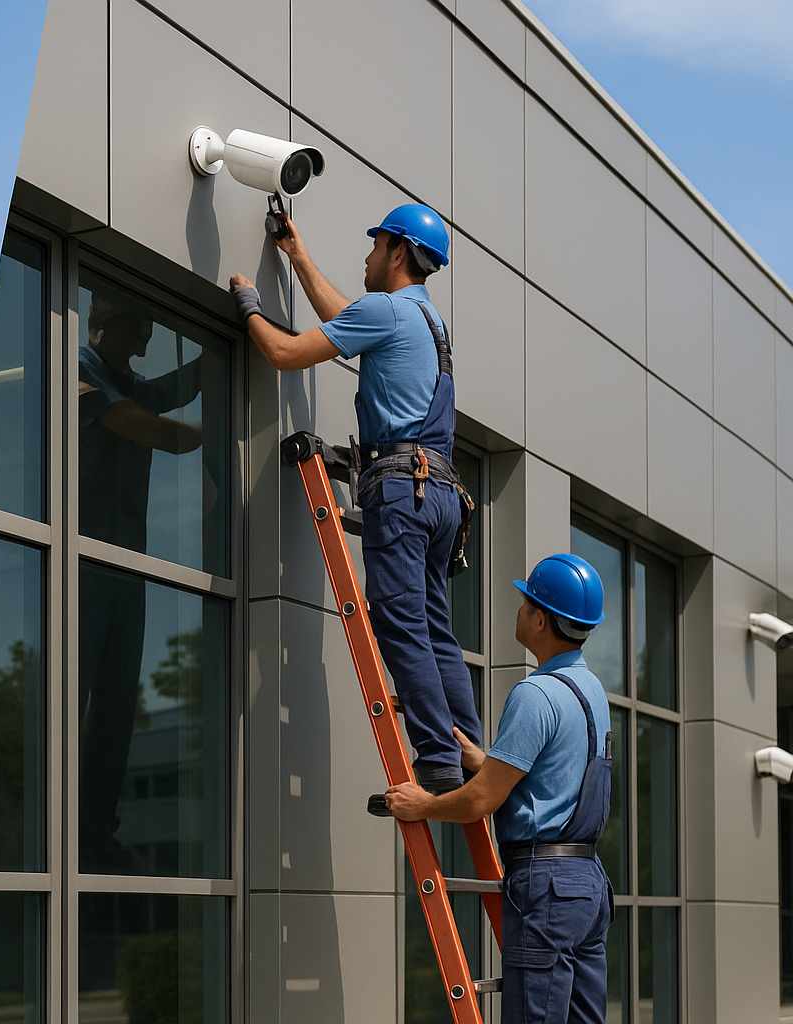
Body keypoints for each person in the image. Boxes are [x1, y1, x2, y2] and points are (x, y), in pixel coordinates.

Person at [230, 203, 478, 800]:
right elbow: (346, 319)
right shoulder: (423, 320)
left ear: (397, 251)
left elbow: (285, 355)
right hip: (441, 493)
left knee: (398, 621)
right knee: (436, 630)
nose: (366, 257)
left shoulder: (387, 310)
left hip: (402, 492)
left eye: (374, 247)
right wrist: (299, 256)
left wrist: (249, 308)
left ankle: (439, 760)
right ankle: (467, 750)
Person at [384, 554, 614, 1024]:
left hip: (546, 886)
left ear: (541, 619)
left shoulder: (535, 694)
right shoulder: (591, 690)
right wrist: (488, 763)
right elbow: (556, 773)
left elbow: (481, 801)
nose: (519, 610)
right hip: (588, 883)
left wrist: (422, 804)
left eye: (525, 601)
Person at [76, 290, 203, 871]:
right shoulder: (78, 367)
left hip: (130, 563)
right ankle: (55, 825)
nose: (140, 352)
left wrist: (236, 336)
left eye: (147, 344)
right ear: (107, 328)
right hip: (80, 558)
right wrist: (201, 436)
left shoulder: (125, 377)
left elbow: (175, 389)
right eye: (134, 339)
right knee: (72, 693)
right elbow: (139, 424)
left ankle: (95, 831)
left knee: (119, 699)